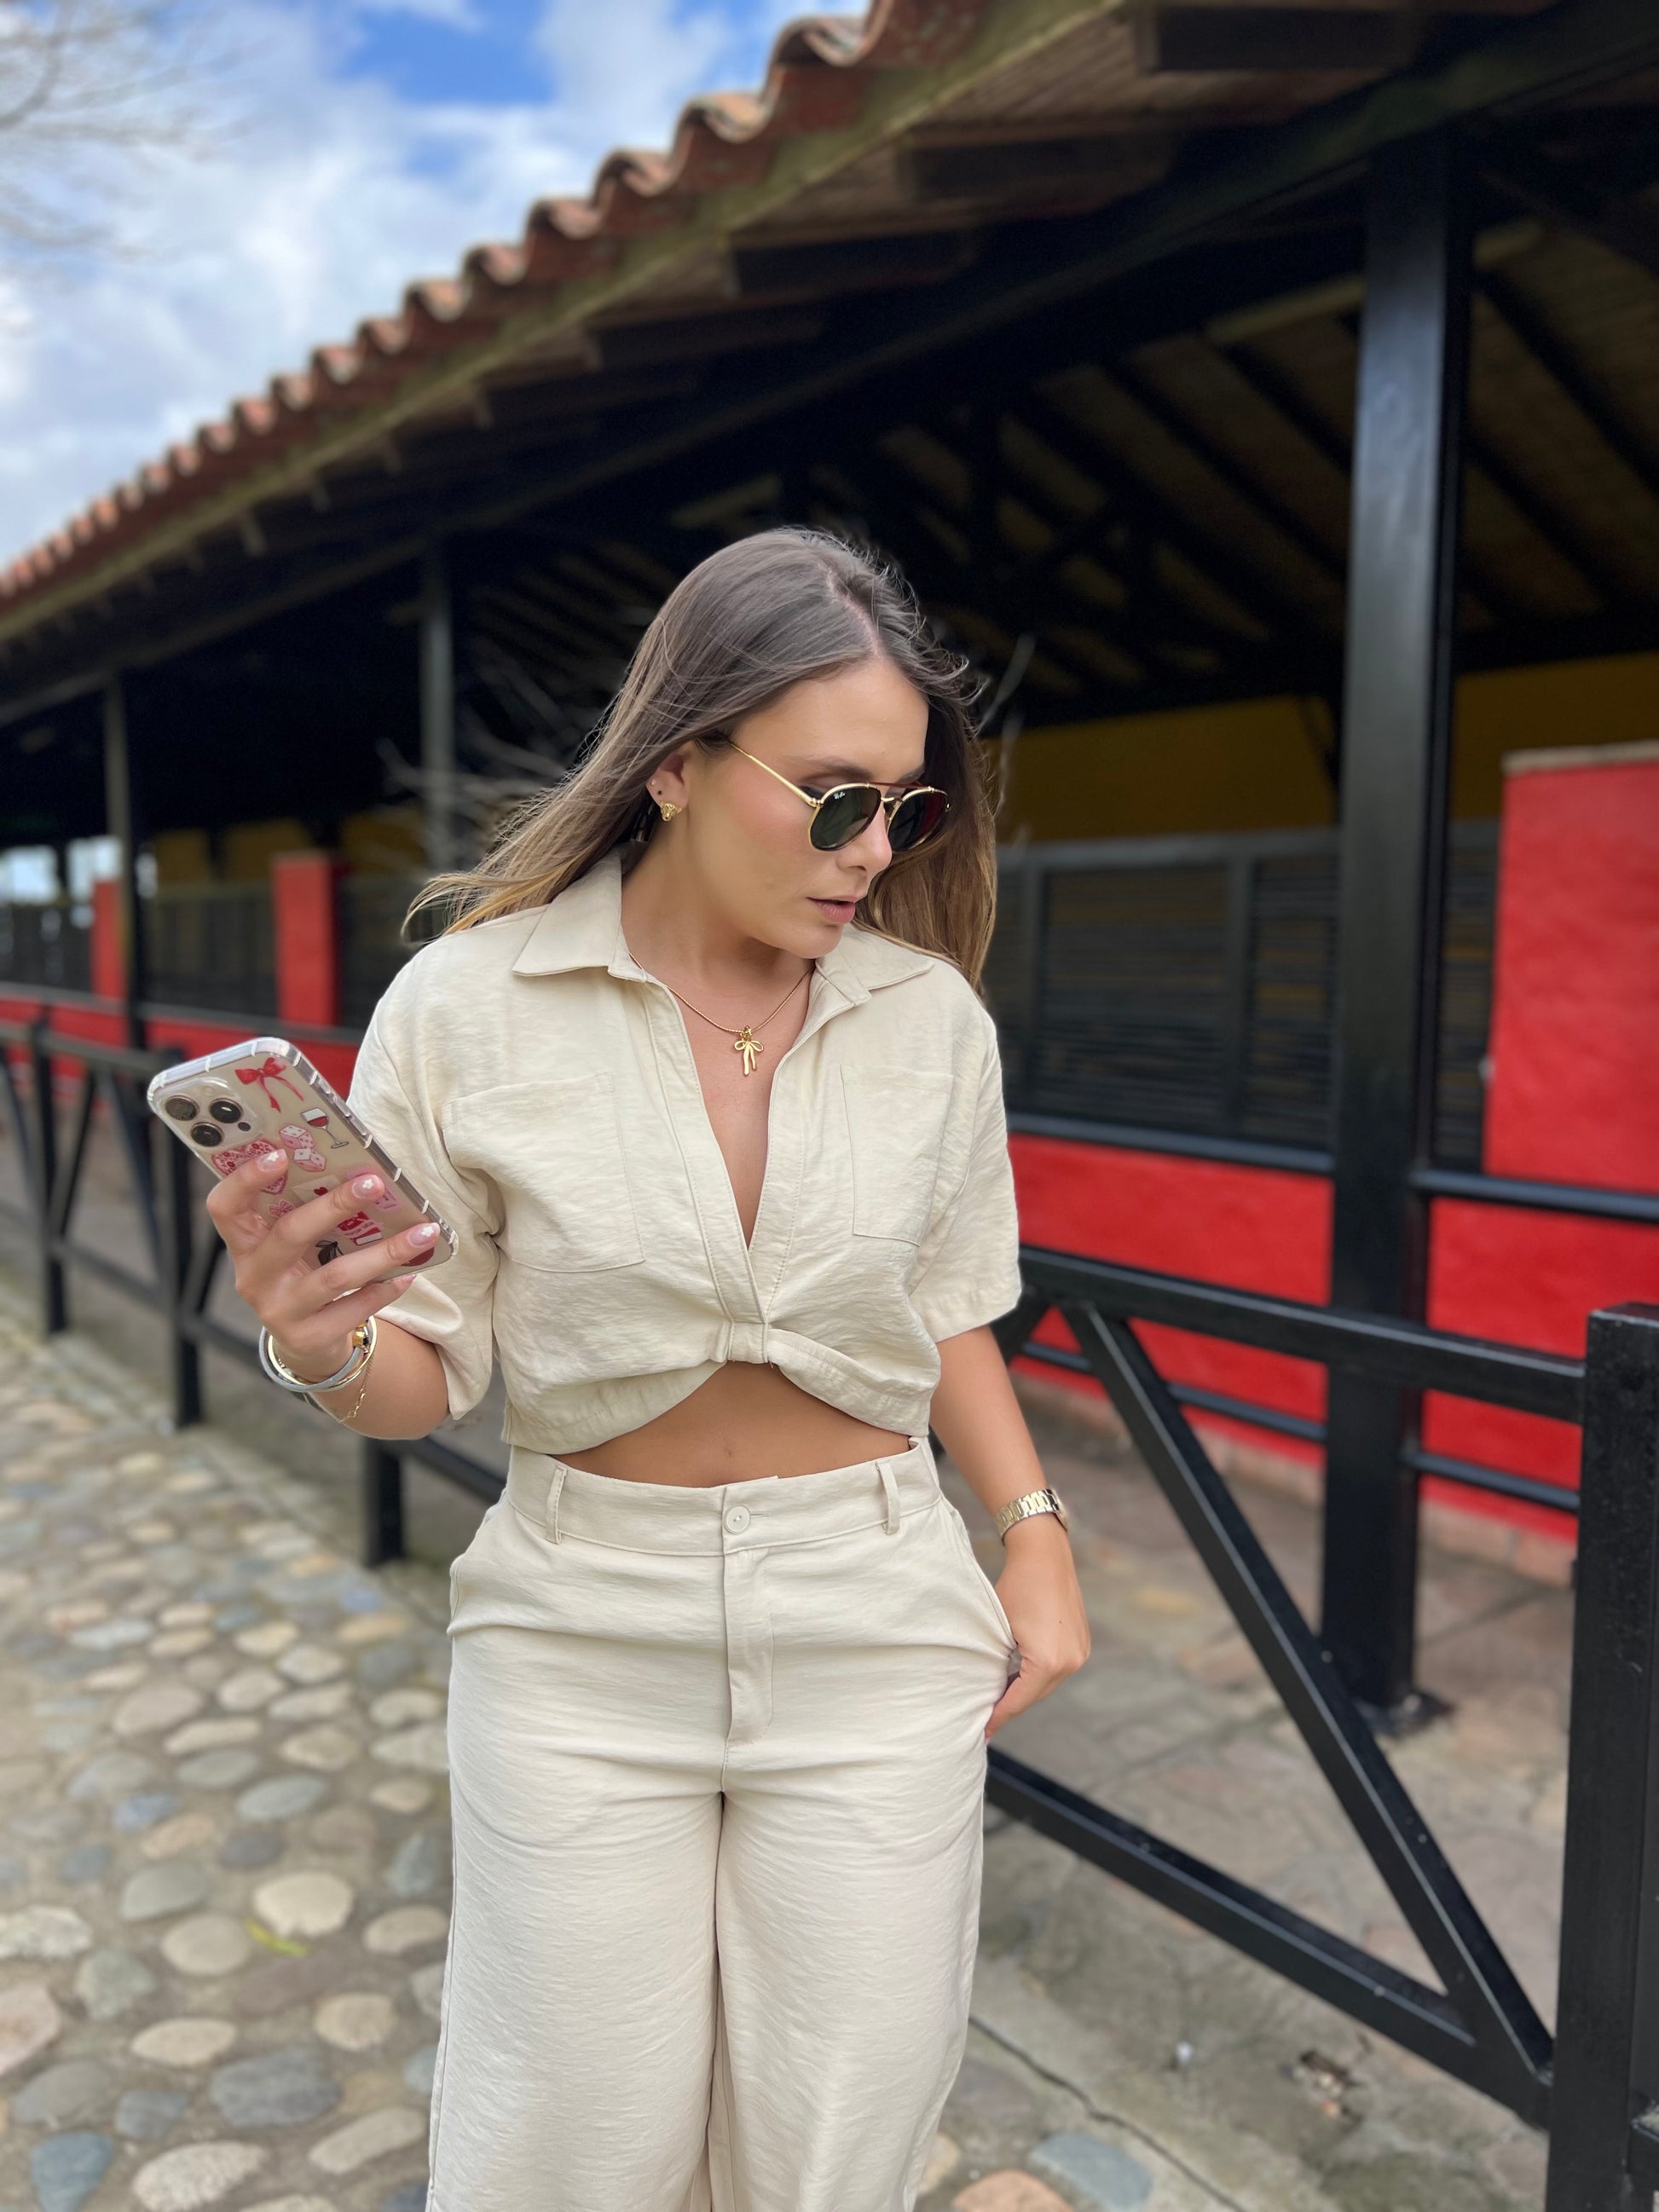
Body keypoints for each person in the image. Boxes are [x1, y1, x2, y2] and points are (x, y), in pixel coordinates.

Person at [205, 527, 1090, 2212]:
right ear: (677, 763)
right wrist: (323, 1345)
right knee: (568, 2144)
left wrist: (1031, 1530)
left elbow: (945, 1302)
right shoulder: (466, 1007)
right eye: (833, 798)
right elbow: (424, 1370)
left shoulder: (928, 1019)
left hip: (876, 1612)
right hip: (580, 1633)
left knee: (834, 2142)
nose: (871, 849)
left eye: (903, 809)